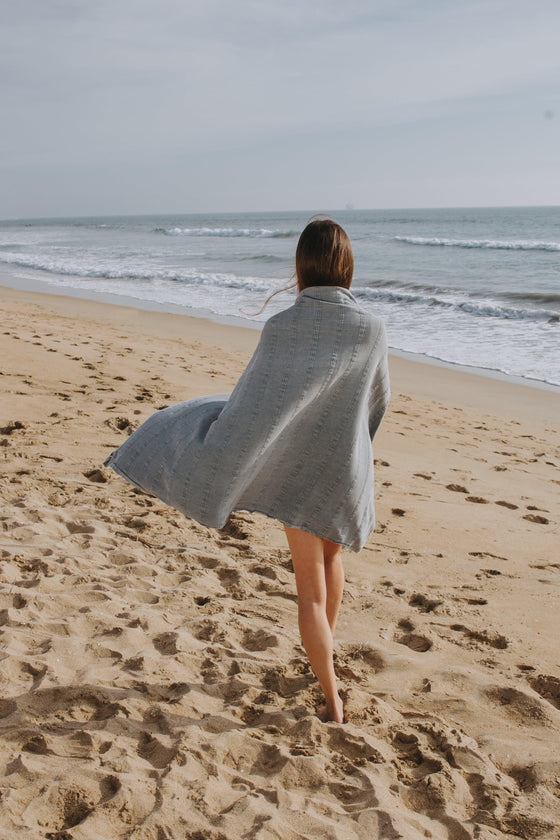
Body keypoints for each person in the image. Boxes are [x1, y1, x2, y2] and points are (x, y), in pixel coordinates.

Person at [105, 219, 390, 723]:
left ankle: (332, 700)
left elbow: (257, 402)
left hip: (298, 475)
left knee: (309, 592)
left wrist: (237, 443)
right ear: (347, 266)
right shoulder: (371, 328)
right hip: (343, 468)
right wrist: (351, 451)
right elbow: (376, 403)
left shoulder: (282, 326)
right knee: (330, 565)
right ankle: (323, 665)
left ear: (302, 267)